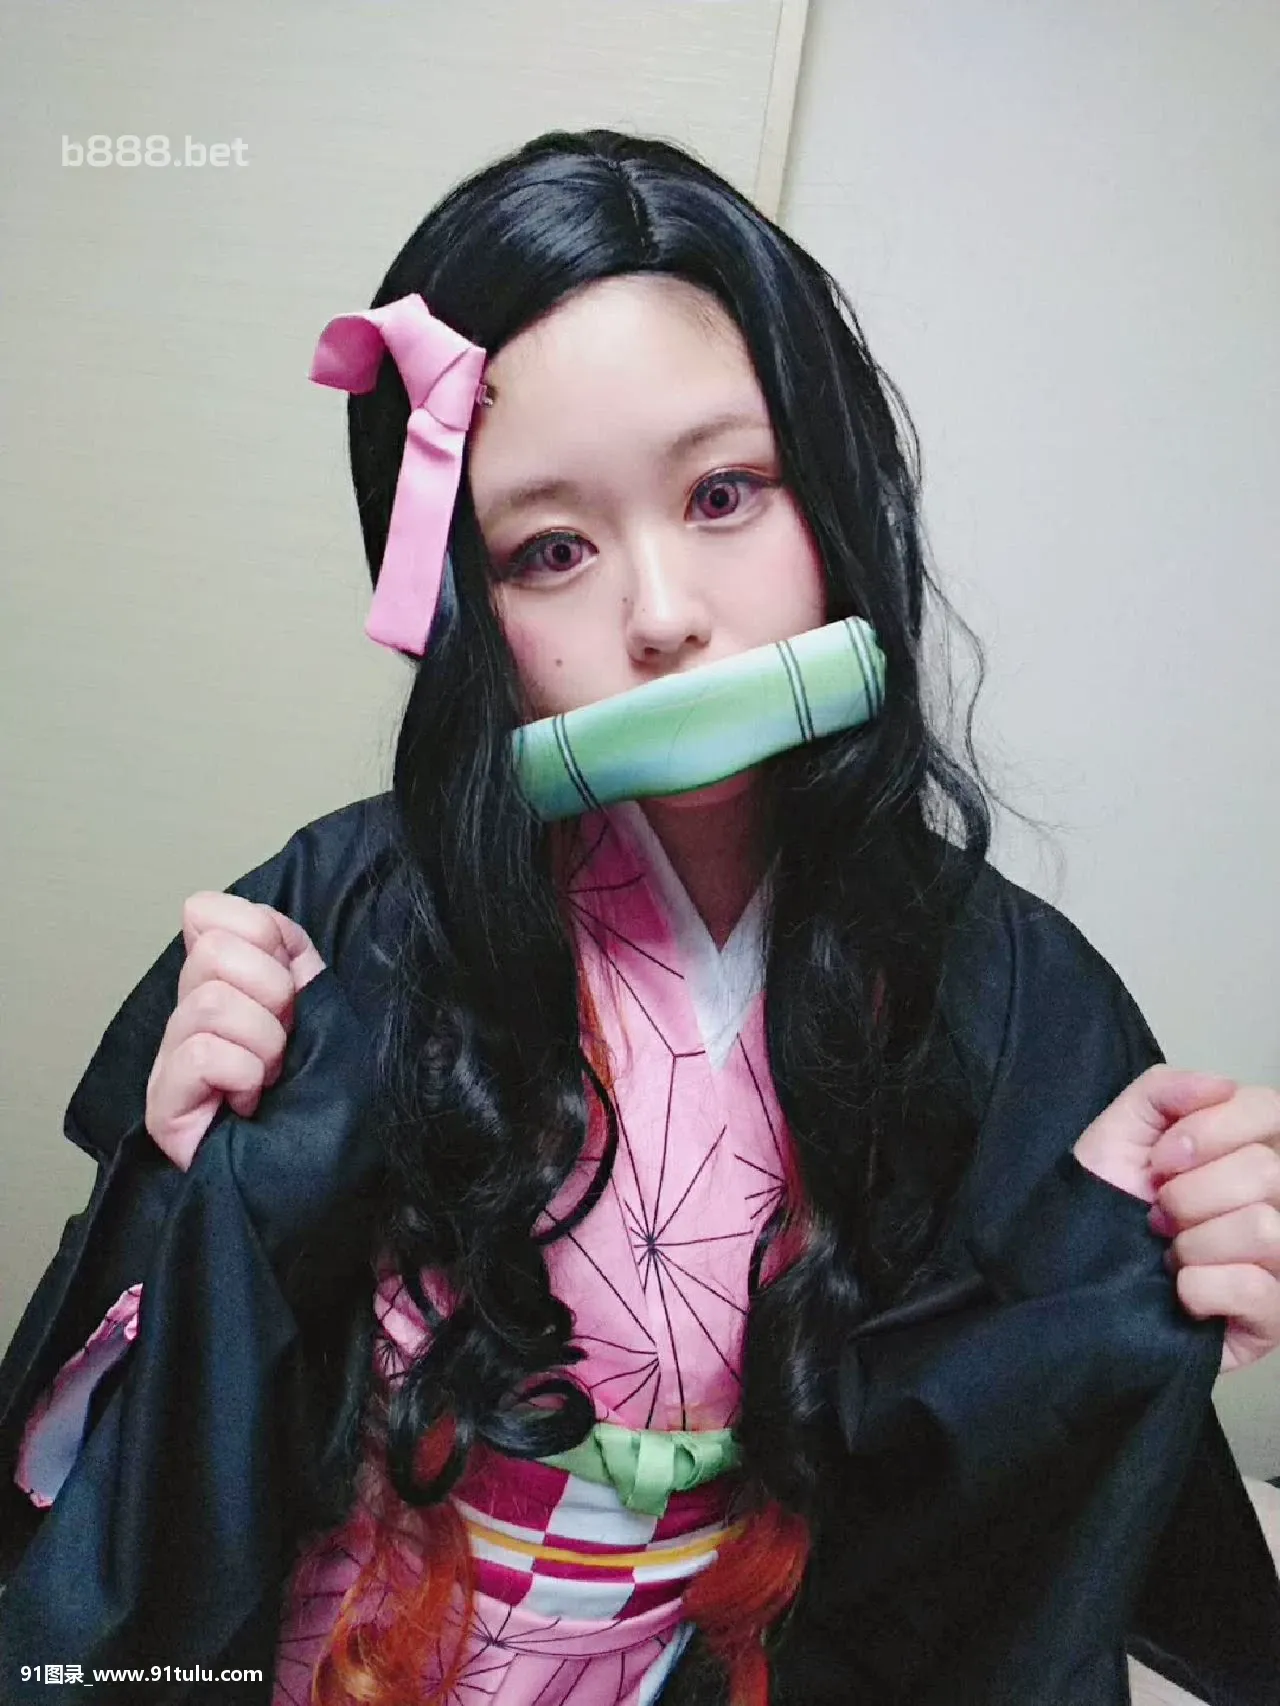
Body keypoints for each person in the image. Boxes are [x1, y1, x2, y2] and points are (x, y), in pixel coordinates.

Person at [1, 128, 1279, 1706]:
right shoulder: (339, 922)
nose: (664, 615)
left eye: (725, 492)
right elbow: (164, 1450)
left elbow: (973, 1488)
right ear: (462, 608)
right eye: (551, 549)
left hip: (705, 1659)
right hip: (365, 1644)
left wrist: (1134, 1266)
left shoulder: (1002, 984)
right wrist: (191, 1177)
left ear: (840, 494)